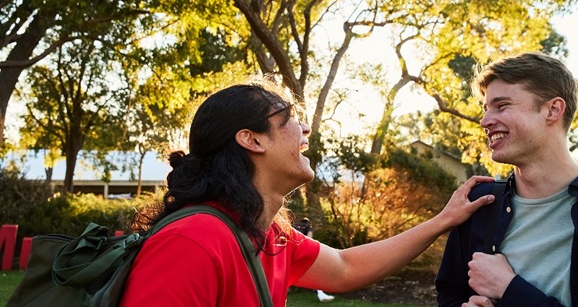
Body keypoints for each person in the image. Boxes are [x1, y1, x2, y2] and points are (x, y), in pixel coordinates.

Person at [119, 78, 495, 306]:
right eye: (288, 121)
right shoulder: (194, 240)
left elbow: (346, 269)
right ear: (251, 140)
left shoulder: (271, 236)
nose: (305, 131)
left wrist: (443, 221)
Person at [435, 52, 578, 307]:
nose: (484, 121)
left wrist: (510, 289)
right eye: (486, 109)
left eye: (502, 105)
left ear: (552, 110)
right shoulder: (479, 204)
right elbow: (450, 294)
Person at [292, 217, 335, 302]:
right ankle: (320, 293)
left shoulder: (295, 226)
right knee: (315, 270)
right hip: (301, 250)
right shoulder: (308, 226)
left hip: (289, 250)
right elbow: (309, 238)